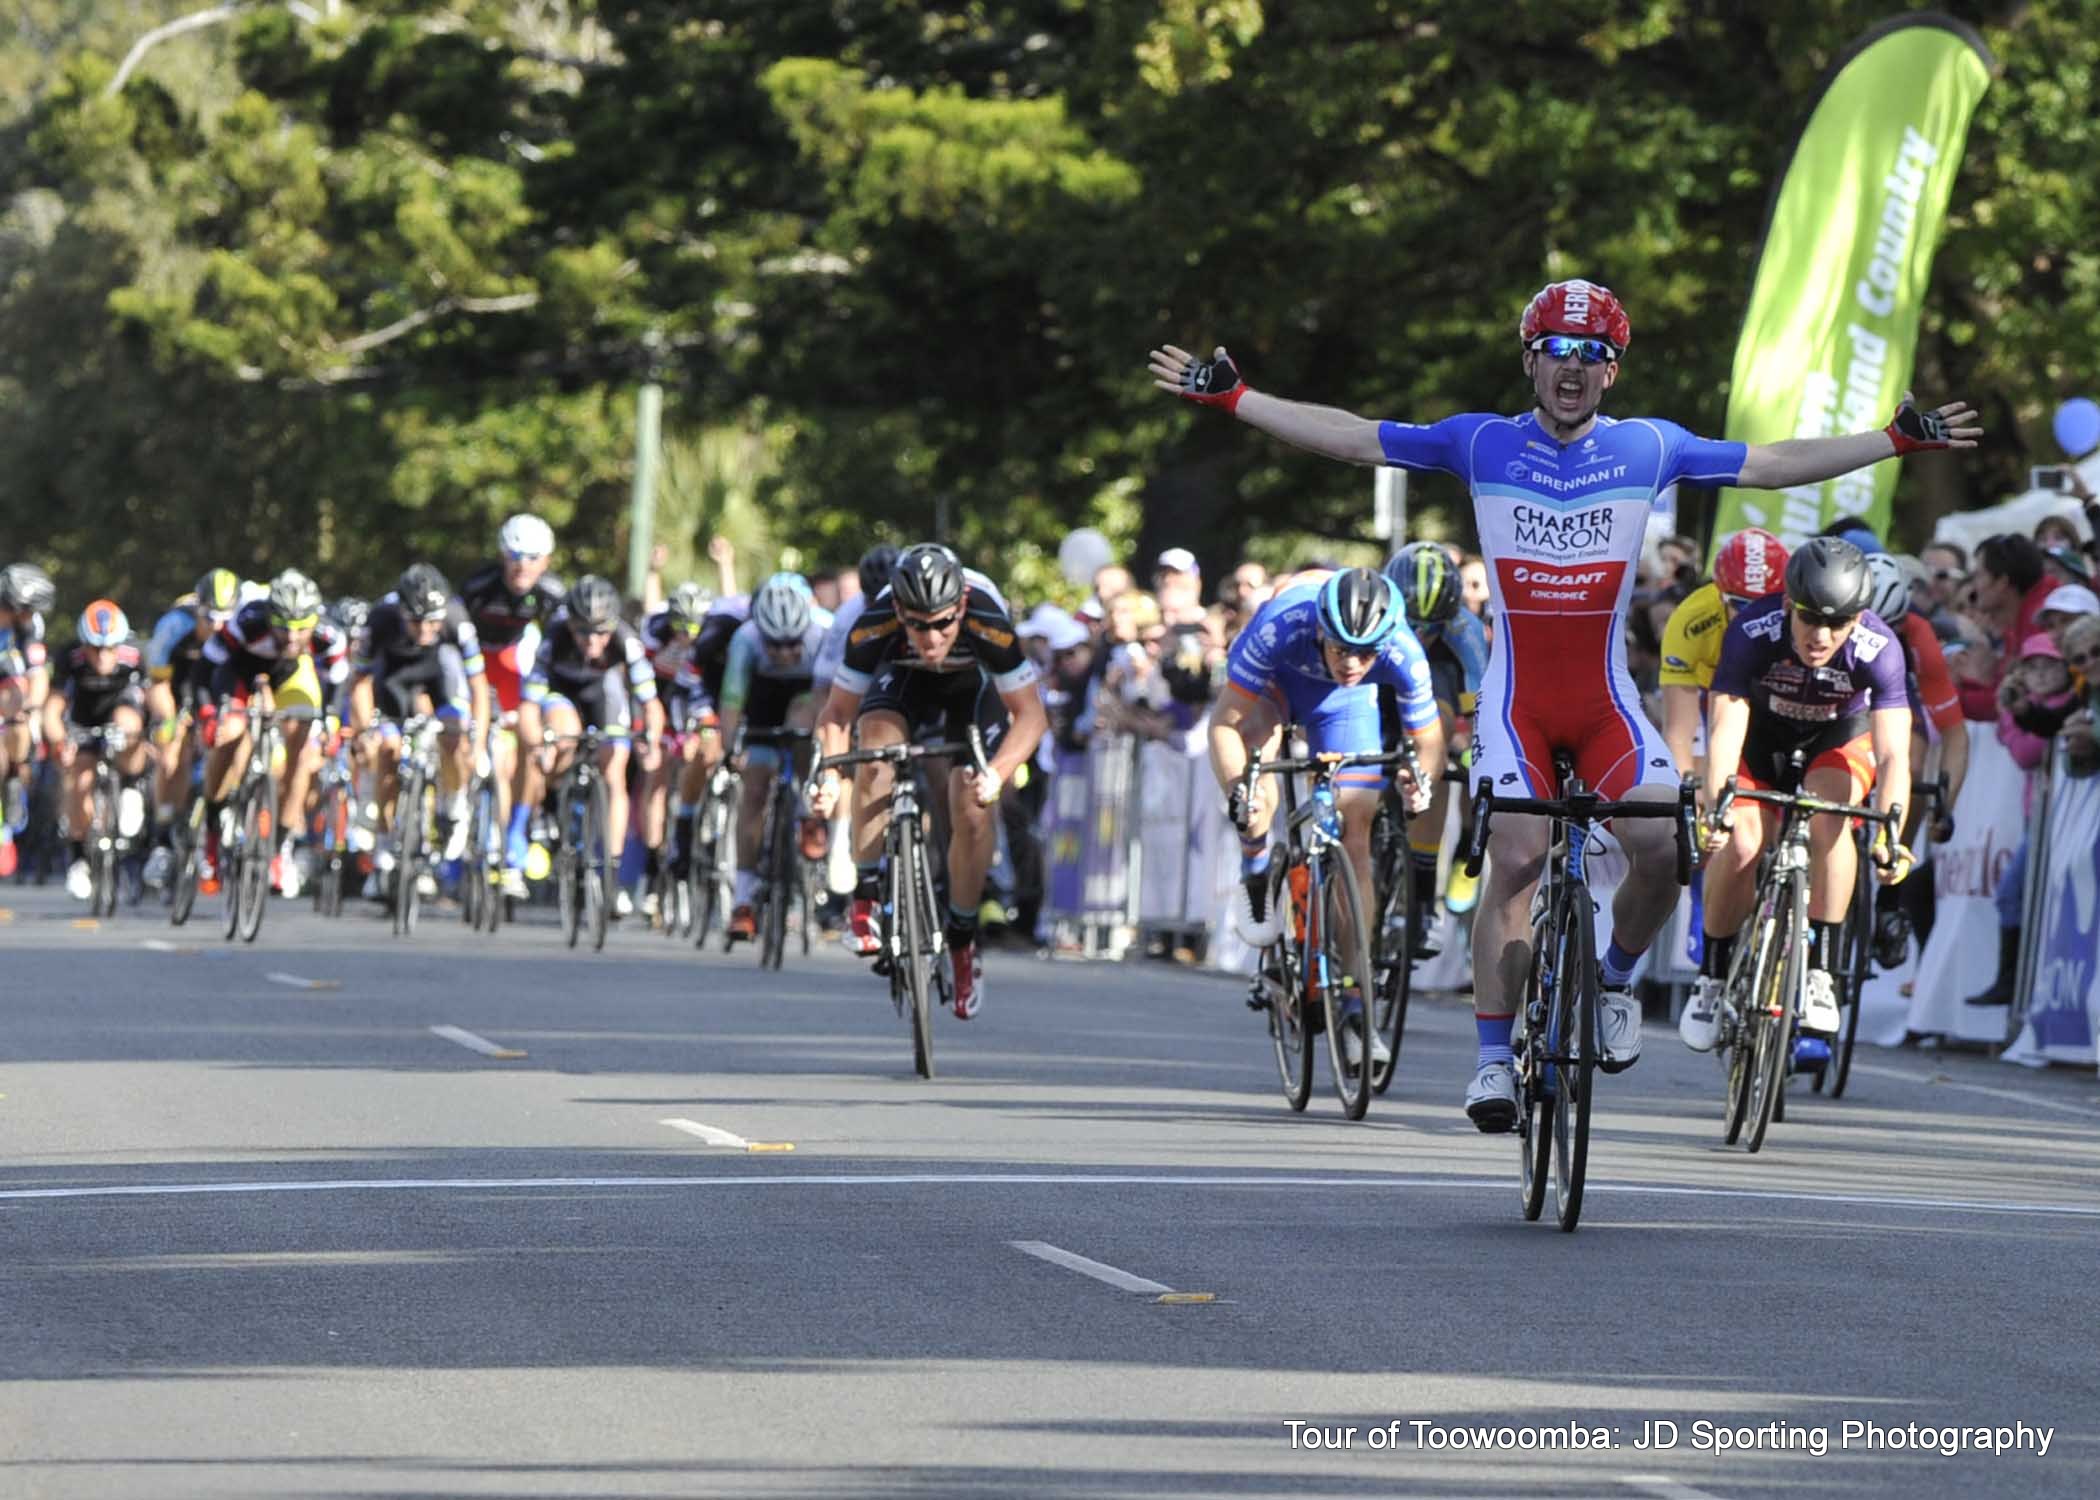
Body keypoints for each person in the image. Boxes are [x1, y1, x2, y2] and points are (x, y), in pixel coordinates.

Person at [1149, 277, 1979, 1130]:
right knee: (1516, 855)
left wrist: (1889, 441)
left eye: (1593, 354)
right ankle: (1491, 1060)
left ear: (1612, 371)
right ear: (1530, 361)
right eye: (1556, 350)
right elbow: (1357, 437)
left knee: (1664, 846)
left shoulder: (1649, 446)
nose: (1573, 367)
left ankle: (1613, 980)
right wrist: (1240, 400)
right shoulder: (1479, 442)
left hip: (1604, 701)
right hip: (1518, 704)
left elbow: (1771, 463)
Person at [1679, 539, 1915, 1058]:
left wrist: (1892, 834)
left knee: (1830, 820)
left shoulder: (1880, 647)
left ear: (1859, 618)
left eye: (1839, 622)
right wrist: (1717, 806)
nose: (1821, 636)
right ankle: (1711, 977)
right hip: (1759, 737)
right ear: (1788, 603)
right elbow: (1725, 728)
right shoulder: (1753, 630)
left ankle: (1820, 974)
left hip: (1837, 737)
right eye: (1809, 618)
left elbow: (1894, 753)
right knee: (1742, 843)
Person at [1211, 568, 1446, 1072]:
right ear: (1320, 628)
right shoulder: (1281, 624)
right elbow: (1223, 724)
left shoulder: (1402, 650)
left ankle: (1357, 1007)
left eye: (1366, 653)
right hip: (1278, 685)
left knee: (1356, 834)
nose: (1353, 662)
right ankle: (1255, 868)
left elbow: (1428, 741)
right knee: (1257, 776)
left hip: (1344, 708)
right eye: (1341, 649)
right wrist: (1238, 790)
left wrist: (1418, 782)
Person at [810, 543, 1048, 1019]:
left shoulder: (986, 617)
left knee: (971, 805)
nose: (932, 637)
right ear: (899, 612)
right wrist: (832, 775)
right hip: (903, 682)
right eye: (917, 625)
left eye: (943, 623)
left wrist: (997, 775)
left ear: (960, 606)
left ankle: (962, 940)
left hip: (971, 690)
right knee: (875, 754)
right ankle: (866, 896)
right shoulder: (875, 621)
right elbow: (836, 713)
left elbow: (1032, 715)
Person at [517, 574, 663, 914]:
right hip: (562, 696)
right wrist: (538, 745)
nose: (592, 640)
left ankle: (611, 870)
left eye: (601, 632)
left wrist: (652, 740)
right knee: (561, 737)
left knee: (614, 769)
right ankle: (550, 805)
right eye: (582, 631)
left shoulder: (626, 641)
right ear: (570, 624)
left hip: (603, 696)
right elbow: (528, 706)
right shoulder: (555, 636)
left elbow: (651, 704)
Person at [201, 569, 346, 895]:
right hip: (241, 675)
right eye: (283, 627)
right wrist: (210, 713)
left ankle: (279, 848)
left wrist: (331, 724)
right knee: (230, 733)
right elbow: (206, 669)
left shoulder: (328, 634)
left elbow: (337, 682)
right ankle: (213, 825)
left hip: (290, 678)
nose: (292, 637)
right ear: (270, 618)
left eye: (301, 629)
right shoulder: (247, 621)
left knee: (302, 750)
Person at [348, 563, 491, 886]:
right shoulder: (381, 617)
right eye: (415, 622)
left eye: (432, 622)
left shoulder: (456, 618)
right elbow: (360, 682)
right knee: (388, 749)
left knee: (455, 736)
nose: (425, 630)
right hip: (394, 682)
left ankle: (453, 804)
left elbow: (478, 687)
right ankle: (385, 841)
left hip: (439, 679)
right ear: (401, 612)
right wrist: (364, 732)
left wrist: (478, 744)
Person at [717, 572, 833, 942]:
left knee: (801, 724)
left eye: (792, 644)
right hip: (763, 702)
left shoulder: (824, 633)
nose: (784, 654)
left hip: (807, 696)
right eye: (775, 645)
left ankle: (808, 812)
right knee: (753, 791)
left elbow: (833, 700)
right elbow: (732, 703)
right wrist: (731, 750)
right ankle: (743, 899)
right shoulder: (746, 639)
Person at [459, 514, 568, 895]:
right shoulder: (479, 586)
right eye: (515, 556)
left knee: (528, 741)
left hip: (513, 663)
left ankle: (518, 832)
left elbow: (559, 652)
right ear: (502, 556)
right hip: (473, 663)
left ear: (546, 560)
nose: (523, 566)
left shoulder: (553, 594)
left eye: (532, 558)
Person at [1383, 541, 1487, 934]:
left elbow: (1480, 704)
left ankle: (1428, 896)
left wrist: (1467, 749)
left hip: (1439, 685)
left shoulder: (1464, 628)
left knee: (1439, 764)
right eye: (1413, 623)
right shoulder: (1381, 612)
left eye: (1431, 626)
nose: (1420, 634)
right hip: (1386, 679)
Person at [1657, 527, 1789, 776]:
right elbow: (1679, 733)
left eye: (1765, 604)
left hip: (1776, 694)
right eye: (1742, 605)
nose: (1753, 616)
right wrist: (1685, 789)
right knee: (1705, 774)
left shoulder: (1798, 615)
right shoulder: (1690, 622)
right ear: (1720, 595)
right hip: (1714, 691)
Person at [43, 599, 151, 900]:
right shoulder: (70, 657)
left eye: (109, 648)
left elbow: (152, 700)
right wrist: (60, 742)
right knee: (80, 781)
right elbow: (52, 709)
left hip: (121, 713)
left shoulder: (134, 655)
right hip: (84, 719)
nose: (103, 655)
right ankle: (79, 859)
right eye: (95, 648)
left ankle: (130, 787)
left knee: (128, 724)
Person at [0, 561, 57, 874]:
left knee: (18, 707)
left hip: (7, 682)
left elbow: (37, 674)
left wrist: (32, 710)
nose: (30, 616)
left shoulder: (30, 626)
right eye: (26, 610)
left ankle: (13, 777)